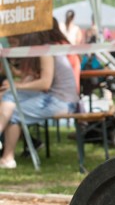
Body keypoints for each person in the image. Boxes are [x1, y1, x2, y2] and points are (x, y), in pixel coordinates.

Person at [0, 20, 80, 169]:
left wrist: (16, 85)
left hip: (62, 102)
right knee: (8, 96)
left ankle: (7, 158)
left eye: (15, 39)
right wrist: (14, 85)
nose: (13, 42)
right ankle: (7, 155)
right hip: (56, 99)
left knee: (15, 112)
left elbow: (44, 84)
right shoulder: (45, 49)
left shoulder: (45, 50)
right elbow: (31, 79)